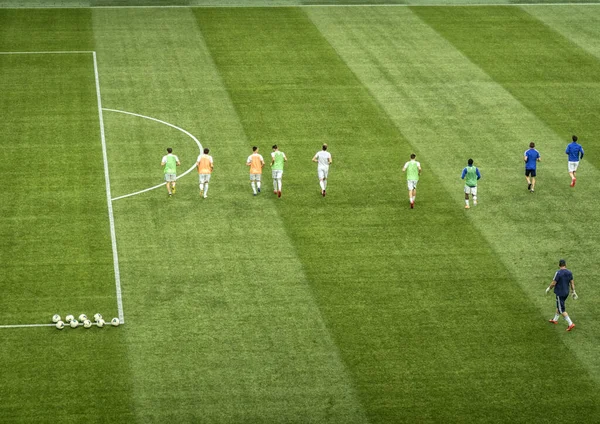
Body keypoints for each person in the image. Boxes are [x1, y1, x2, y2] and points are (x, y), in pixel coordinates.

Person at [546, 259, 578, 331]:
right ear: (565, 265)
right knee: (559, 305)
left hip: (560, 293)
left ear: (559, 265)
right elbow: (572, 283)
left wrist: (548, 288)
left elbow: (554, 283)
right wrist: (573, 291)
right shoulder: (569, 272)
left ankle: (570, 323)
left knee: (562, 310)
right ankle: (555, 319)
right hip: (566, 292)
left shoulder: (558, 273)